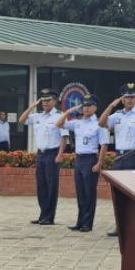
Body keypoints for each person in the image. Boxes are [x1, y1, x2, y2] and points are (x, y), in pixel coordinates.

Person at [102, 82, 135, 237]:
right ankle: (120, 225)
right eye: (127, 97)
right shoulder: (117, 116)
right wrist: (110, 106)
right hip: (120, 156)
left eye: (133, 97)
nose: (130, 99)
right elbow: (102, 123)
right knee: (118, 194)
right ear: (121, 99)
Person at [56, 95, 108, 232]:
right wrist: (68, 111)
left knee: (89, 193)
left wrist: (99, 163)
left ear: (95, 107)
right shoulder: (77, 122)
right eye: (84, 105)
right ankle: (80, 221)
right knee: (80, 192)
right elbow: (59, 124)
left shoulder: (99, 124)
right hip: (79, 159)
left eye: (89, 105)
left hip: (90, 159)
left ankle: (87, 223)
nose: (86, 108)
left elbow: (104, 145)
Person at [21, 88, 67, 225]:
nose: (45, 103)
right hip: (40, 154)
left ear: (54, 101)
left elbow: (64, 137)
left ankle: (49, 216)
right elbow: (22, 120)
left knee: (51, 185)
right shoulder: (37, 116)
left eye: (48, 100)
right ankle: (43, 214)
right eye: (43, 100)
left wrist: (60, 154)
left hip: (52, 153)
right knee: (41, 185)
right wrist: (31, 107)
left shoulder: (60, 116)